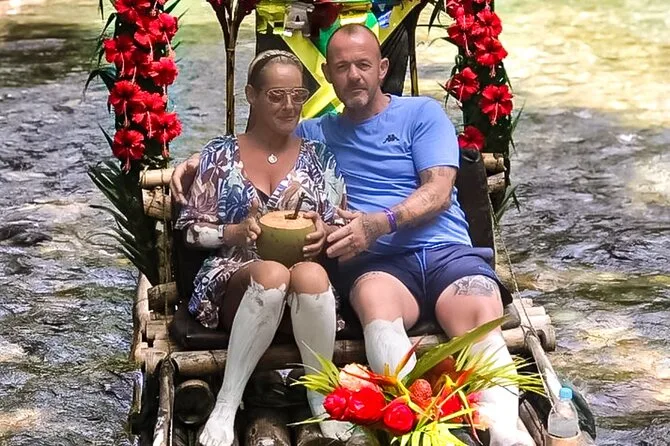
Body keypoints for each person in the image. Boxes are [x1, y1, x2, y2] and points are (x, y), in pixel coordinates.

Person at [172, 26, 532, 446]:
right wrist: (198, 159)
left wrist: (379, 223)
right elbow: (260, 140)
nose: (354, 75)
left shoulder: (421, 114)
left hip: (445, 250)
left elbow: (437, 192)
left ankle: (504, 432)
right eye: (342, 67)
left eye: (363, 64)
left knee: (478, 312)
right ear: (327, 74)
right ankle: (417, 425)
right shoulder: (316, 133)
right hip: (379, 265)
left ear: (383, 68)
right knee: (376, 307)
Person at [174, 50, 348, 446]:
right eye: (276, 95)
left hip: (302, 295)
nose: (289, 105)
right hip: (234, 281)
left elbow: (340, 224)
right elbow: (190, 232)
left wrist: (324, 233)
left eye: (297, 95)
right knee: (272, 273)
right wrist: (234, 233)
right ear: (252, 95)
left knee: (311, 274)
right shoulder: (219, 155)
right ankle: (226, 404)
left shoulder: (320, 157)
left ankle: (319, 396)